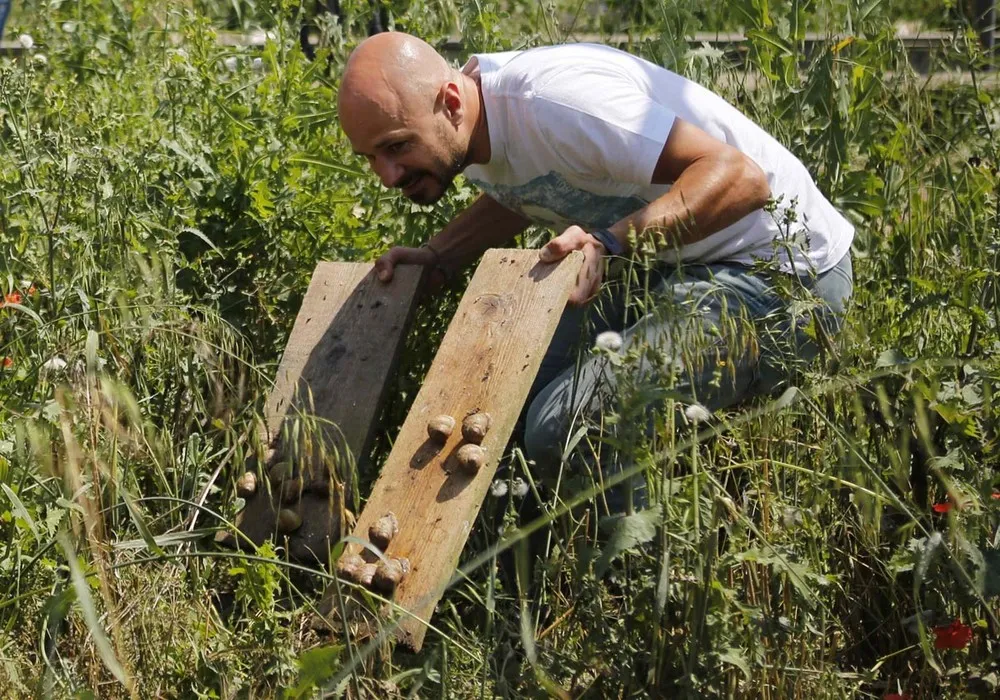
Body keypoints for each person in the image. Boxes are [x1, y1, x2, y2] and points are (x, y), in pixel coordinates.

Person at [337, 32, 854, 512]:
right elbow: (534, 182)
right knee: (497, 395)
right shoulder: (470, 124)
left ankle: (644, 575)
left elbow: (742, 180)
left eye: (397, 146)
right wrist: (440, 256)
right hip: (674, 260)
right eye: (370, 157)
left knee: (562, 429)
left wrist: (610, 242)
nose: (387, 176)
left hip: (784, 277)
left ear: (450, 102)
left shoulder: (556, 104)